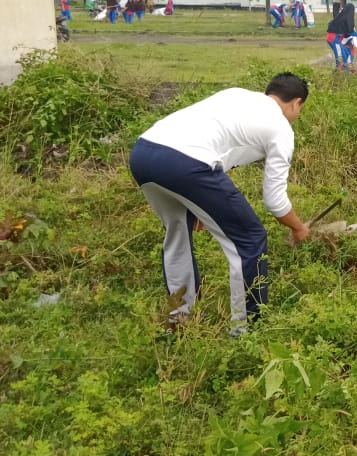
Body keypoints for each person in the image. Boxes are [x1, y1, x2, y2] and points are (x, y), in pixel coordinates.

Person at [128, 73, 311, 334]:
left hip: (144, 153)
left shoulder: (236, 94)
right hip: (186, 164)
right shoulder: (281, 128)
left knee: (177, 234)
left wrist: (202, 203)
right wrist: (298, 228)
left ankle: (179, 320)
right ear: (295, 102)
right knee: (249, 239)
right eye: (299, 109)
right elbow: (275, 200)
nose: (297, 115)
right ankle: (247, 331)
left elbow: (212, 144)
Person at [326, 3, 355, 71]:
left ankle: (341, 71)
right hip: (334, 39)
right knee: (340, 57)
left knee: (341, 55)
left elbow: (330, 24)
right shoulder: (346, 19)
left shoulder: (341, 16)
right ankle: (338, 74)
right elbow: (349, 32)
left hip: (333, 38)